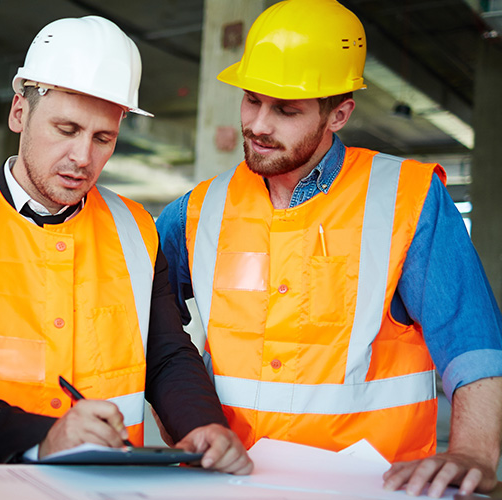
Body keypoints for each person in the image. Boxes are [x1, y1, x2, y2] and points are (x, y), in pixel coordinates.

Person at [156, 0, 502, 496]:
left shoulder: (407, 199)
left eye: (286, 110)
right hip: (229, 484)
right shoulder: (198, 210)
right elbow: (144, 325)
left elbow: (473, 345)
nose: (258, 124)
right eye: (252, 100)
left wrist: (473, 452)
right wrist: (181, 418)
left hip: (373, 487)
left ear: (338, 113)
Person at [0, 15, 252, 474]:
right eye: (66, 129)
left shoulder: (136, 229)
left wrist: (202, 424)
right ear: (20, 111)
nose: (83, 158)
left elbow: (166, 354)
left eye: (103, 138)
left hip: (105, 485)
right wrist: (44, 438)